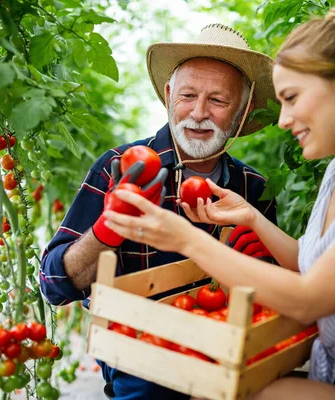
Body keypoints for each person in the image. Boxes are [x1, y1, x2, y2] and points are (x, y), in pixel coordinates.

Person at [102, 1, 335, 399]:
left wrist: (188, 239)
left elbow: (309, 298)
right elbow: (313, 262)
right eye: (188, 94)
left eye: (292, 97)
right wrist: (253, 220)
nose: (282, 119)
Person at [39, 24, 278, 399]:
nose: (198, 113)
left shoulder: (253, 188)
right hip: (140, 358)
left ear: (242, 110)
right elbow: (53, 285)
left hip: (228, 350)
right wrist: (107, 230)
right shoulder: (120, 167)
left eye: (218, 100)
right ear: (168, 95)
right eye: (187, 95)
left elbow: (269, 294)